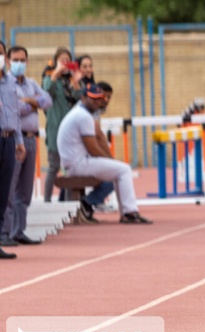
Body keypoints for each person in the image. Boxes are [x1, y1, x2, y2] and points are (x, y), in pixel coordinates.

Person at [57, 84, 152, 224]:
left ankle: (89, 204)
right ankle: (129, 212)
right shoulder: (83, 116)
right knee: (123, 169)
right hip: (78, 164)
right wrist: (110, 161)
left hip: (73, 163)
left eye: (99, 99)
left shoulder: (78, 112)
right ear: (83, 97)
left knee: (117, 170)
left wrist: (109, 162)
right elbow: (93, 148)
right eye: (93, 99)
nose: (96, 102)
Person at [1, 45, 52, 246]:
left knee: (25, 190)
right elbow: (14, 109)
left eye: (23, 60)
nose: (19, 63)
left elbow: (47, 100)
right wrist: (33, 104)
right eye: (15, 59)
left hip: (30, 139)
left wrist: (28, 101)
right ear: (8, 61)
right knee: (8, 188)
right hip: (12, 138)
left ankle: (18, 230)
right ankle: (4, 232)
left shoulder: (31, 83)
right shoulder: (6, 83)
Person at [73, 80, 116, 224]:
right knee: (114, 176)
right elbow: (98, 137)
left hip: (80, 158)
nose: (107, 100)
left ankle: (84, 205)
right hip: (77, 159)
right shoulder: (86, 113)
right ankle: (86, 203)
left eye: (109, 97)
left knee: (113, 172)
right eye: (104, 97)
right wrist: (109, 160)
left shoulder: (93, 111)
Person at [43, 47, 81, 202]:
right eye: (62, 60)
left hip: (72, 132)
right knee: (53, 167)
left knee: (70, 169)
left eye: (68, 60)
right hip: (56, 129)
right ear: (55, 62)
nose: (65, 63)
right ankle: (46, 201)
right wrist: (56, 73)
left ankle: (69, 202)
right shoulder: (50, 78)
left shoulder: (72, 81)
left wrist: (77, 81)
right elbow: (47, 92)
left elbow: (81, 99)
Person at [0, 40, 27, 259]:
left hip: (9, 139)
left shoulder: (10, 83)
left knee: (4, 190)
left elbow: (15, 114)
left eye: (1, 54)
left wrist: (19, 140)